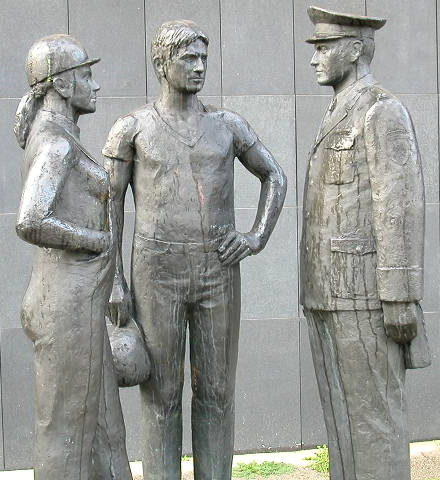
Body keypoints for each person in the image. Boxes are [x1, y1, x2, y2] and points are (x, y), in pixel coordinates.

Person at [103, 20, 287, 480]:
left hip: (217, 270)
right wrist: (115, 280)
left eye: (204, 57)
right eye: (189, 58)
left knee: (217, 394)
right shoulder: (132, 128)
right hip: (156, 272)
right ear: (161, 64)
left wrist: (256, 236)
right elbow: (109, 205)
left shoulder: (227, 125)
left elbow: (275, 176)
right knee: (161, 396)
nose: (200, 66)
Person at [300, 6, 429, 479]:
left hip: (365, 295)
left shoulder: (381, 109)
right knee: (342, 423)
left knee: (374, 421)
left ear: (354, 50)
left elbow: (399, 206)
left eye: (324, 47)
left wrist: (399, 295)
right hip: (326, 293)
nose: (314, 57)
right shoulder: (338, 109)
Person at [14, 34, 132, 480]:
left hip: (79, 305)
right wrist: (97, 240)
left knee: (106, 432)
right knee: (65, 437)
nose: (95, 85)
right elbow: (30, 220)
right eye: (86, 75)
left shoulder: (62, 136)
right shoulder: (56, 143)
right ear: (61, 84)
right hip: (66, 306)